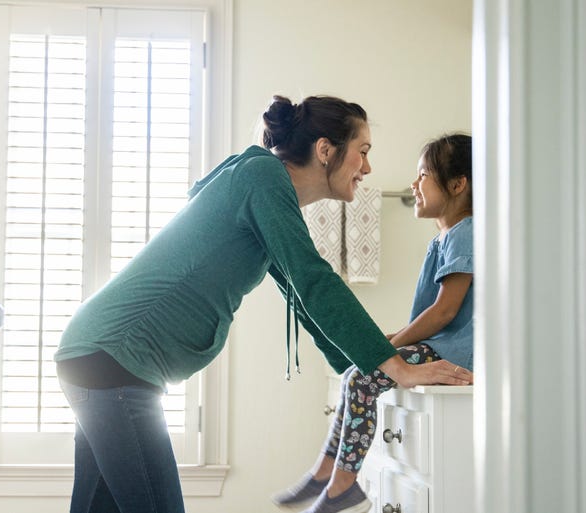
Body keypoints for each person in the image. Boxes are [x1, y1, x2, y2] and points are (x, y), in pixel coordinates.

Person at [53, 97, 473, 513]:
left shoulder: (262, 188)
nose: (367, 168)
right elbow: (313, 279)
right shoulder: (263, 178)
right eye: (362, 153)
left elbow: (301, 299)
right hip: (116, 363)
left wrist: (358, 365)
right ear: (325, 150)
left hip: (100, 358)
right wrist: (393, 365)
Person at [272, 133, 475, 513]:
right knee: (356, 372)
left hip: (455, 350)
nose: (414, 184)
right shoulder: (447, 237)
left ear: (457, 183)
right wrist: (391, 342)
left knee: (363, 376)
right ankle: (328, 473)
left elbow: (446, 311)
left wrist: (393, 340)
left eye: (423, 175)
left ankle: (342, 484)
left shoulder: (466, 232)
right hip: (440, 345)